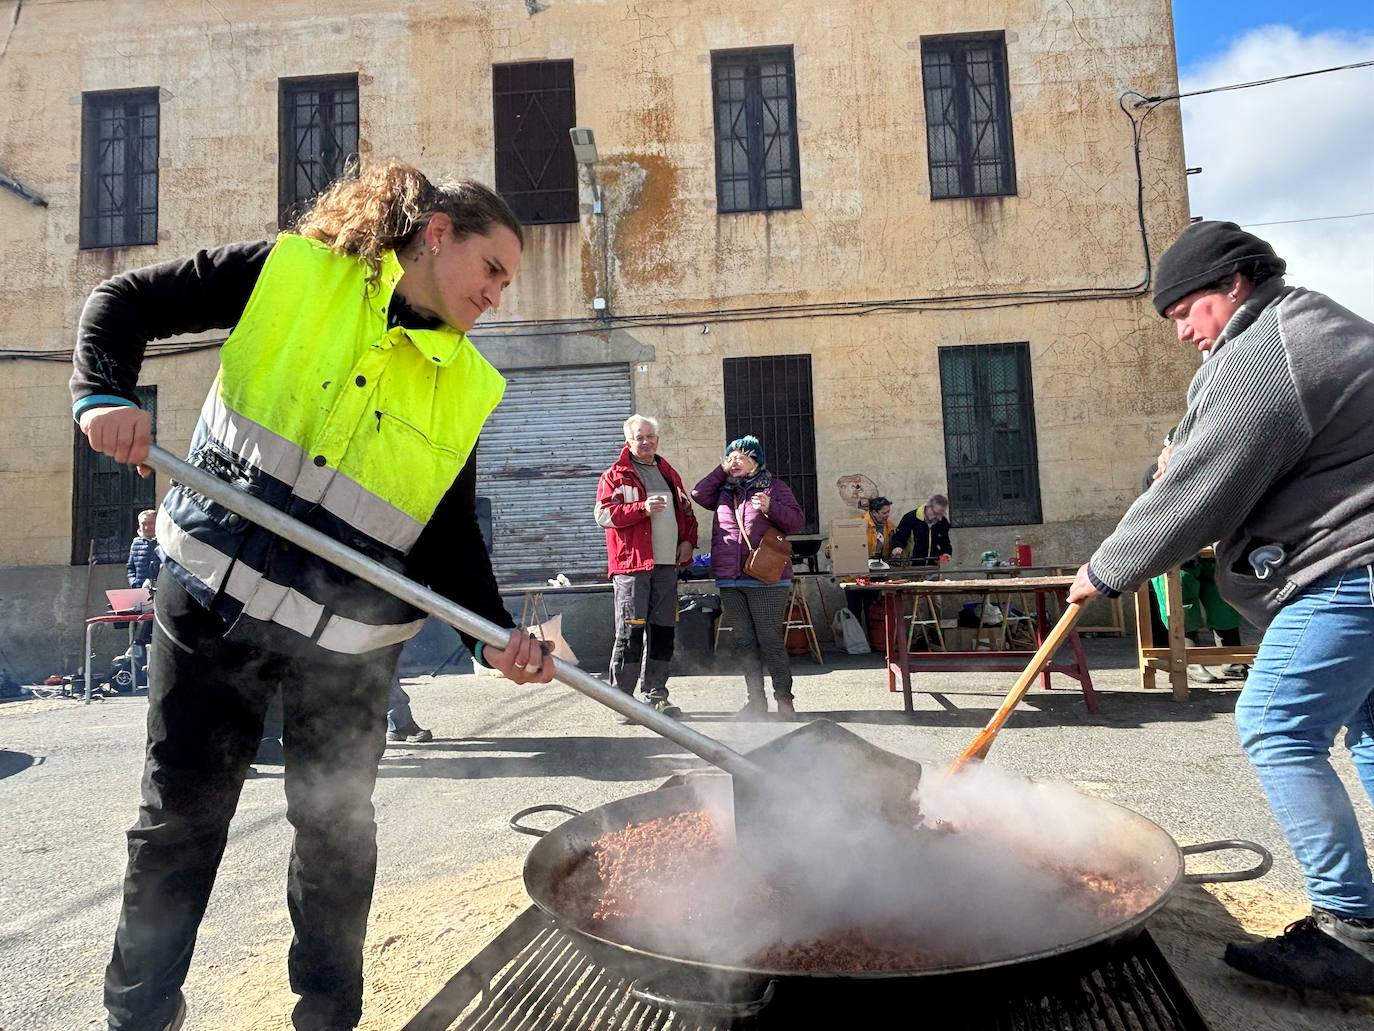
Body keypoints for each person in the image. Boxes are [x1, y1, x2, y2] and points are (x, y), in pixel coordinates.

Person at [72, 160, 556, 1031]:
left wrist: (492, 636)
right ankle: (138, 1016)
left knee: (336, 837)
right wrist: (102, 394)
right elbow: (122, 303)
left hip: (349, 647)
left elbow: (446, 532)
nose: (498, 293)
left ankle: (329, 1018)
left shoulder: (469, 385)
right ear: (437, 235)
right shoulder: (293, 273)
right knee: (180, 819)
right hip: (210, 604)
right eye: (492, 268)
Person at [1068, 221, 1374, 995]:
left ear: (1232, 285)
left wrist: (1107, 569)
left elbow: (1198, 489)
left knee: (1274, 721)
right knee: (1369, 726)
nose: (1181, 334)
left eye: (1185, 313)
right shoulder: (1289, 331)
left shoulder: (1269, 348)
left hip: (1352, 566)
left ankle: (1351, 929)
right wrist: (1172, 460)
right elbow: (1186, 451)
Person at [692, 435, 805, 719]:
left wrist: (771, 507)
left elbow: (797, 522)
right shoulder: (722, 491)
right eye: (731, 457)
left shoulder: (775, 487)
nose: (736, 462)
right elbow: (697, 493)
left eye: (742, 456)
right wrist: (722, 469)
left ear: (756, 460)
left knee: (769, 639)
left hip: (766, 577)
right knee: (743, 642)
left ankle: (784, 699)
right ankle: (755, 701)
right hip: (731, 579)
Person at [594, 414, 698, 717]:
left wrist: (688, 541)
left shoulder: (669, 473)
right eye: (639, 437)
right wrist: (641, 508)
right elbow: (604, 516)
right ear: (629, 441)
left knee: (663, 631)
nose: (646, 441)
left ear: (657, 439)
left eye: (650, 436)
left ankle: (656, 695)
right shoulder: (615, 475)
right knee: (630, 631)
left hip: (667, 567)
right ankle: (623, 703)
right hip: (632, 566)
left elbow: (687, 513)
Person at [844, 496, 894, 623]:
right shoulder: (857, 524)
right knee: (854, 609)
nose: (887, 515)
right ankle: (857, 641)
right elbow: (839, 543)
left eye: (888, 512)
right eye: (884, 513)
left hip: (875, 574)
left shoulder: (890, 527)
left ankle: (873, 642)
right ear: (874, 512)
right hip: (854, 575)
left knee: (871, 609)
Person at [124, 509, 162, 673]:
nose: (147, 527)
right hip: (139, 592)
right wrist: (134, 583)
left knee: (151, 624)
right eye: (144, 524)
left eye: (150, 523)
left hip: (159, 592)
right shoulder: (136, 543)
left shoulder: (163, 541)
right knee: (135, 620)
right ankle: (136, 658)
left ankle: (137, 646)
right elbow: (130, 567)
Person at [891, 494, 953, 566]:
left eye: (941, 514)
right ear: (928, 507)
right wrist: (897, 547)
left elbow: (945, 544)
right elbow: (899, 537)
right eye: (936, 513)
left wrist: (945, 556)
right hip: (911, 565)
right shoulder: (910, 518)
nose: (939, 517)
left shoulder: (942, 522)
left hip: (933, 567)